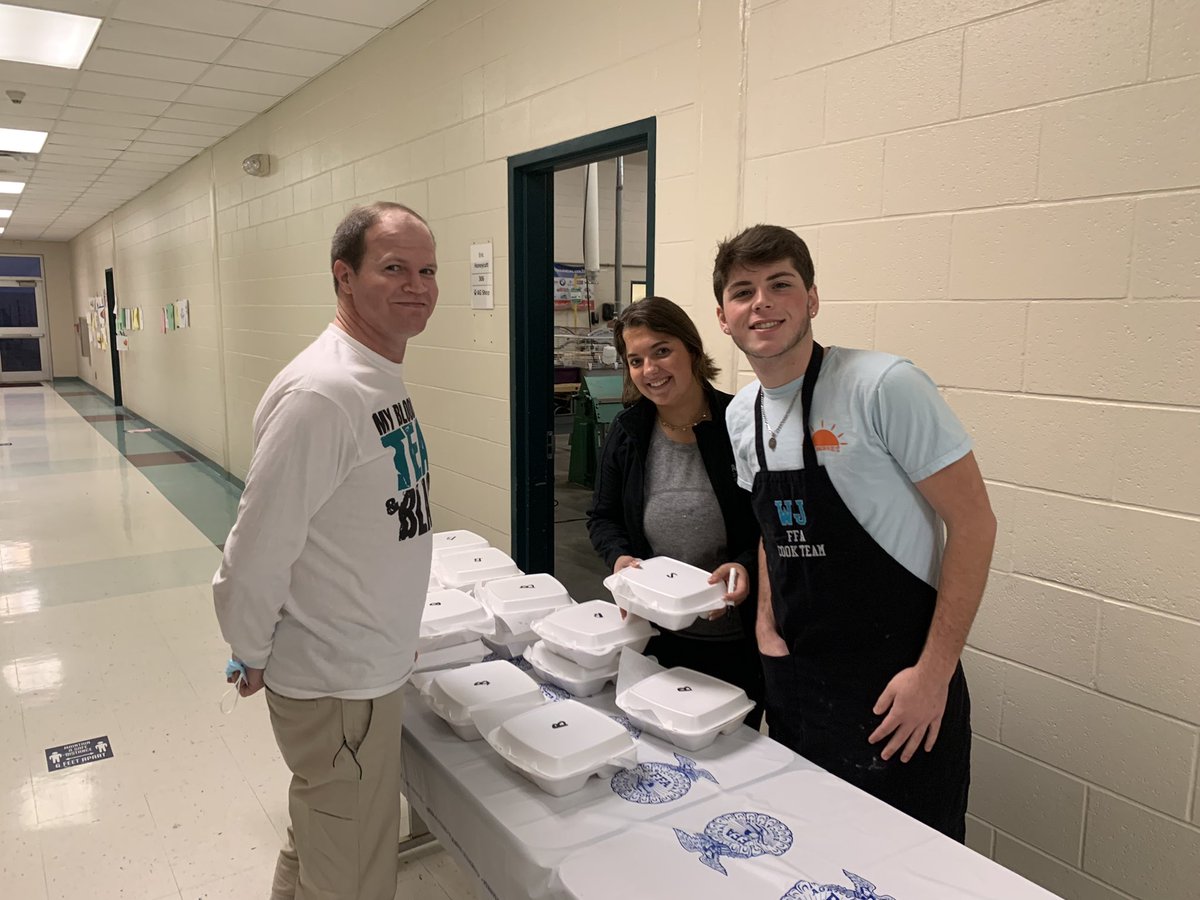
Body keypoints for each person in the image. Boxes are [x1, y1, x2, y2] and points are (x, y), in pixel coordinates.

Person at [713, 224, 996, 841]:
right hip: (798, 684)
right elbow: (771, 528)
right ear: (723, 317)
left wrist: (933, 676)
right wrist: (765, 627)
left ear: (812, 299)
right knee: (810, 852)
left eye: (780, 285)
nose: (761, 303)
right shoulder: (740, 415)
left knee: (909, 864)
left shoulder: (884, 386)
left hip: (900, 693)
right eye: (743, 292)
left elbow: (974, 524)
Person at [213, 202, 438, 899]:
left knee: (320, 840)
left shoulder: (374, 374)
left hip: (364, 668)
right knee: (353, 878)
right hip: (339, 685)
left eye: (428, 270)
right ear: (344, 276)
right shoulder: (324, 393)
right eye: (394, 268)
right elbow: (254, 550)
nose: (417, 286)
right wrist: (250, 647)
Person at [587, 296, 764, 726]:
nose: (650, 369)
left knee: (728, 749)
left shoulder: (740, 423)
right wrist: (619, 557)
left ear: (692, 350)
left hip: (735, 640)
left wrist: (743, 566)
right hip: (655, 635)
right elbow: (603, 517)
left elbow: (772, 525)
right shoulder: (628, 432)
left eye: (662, 351)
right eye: (636, 360)